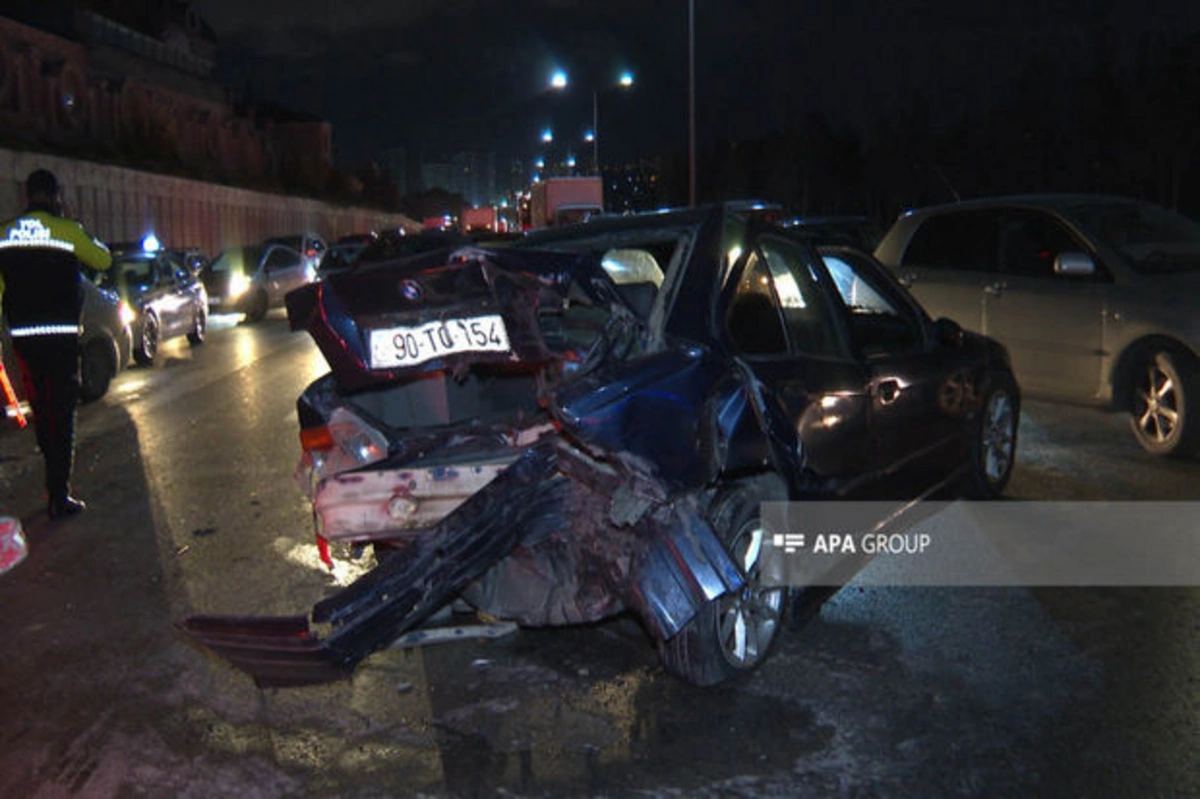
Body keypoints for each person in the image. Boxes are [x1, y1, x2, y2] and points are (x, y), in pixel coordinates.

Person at [0, 169, 112, 518]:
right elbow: (103, 259)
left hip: (25, 342)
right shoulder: (67, 230)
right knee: (62, 414)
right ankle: (58, 494)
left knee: (41, 410)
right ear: (55, 195)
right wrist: (79, 228)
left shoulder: (5, 233)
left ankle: (52, 475)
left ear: (27, 196)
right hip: (61, 339)